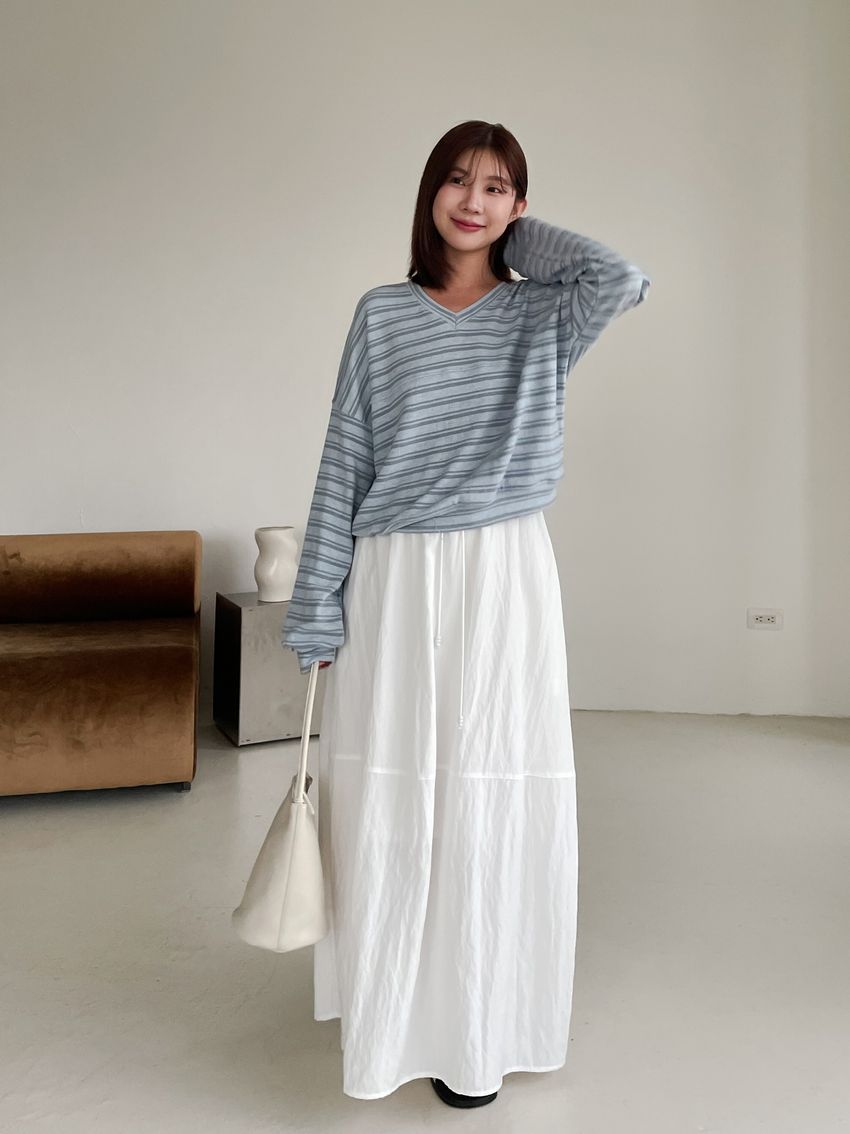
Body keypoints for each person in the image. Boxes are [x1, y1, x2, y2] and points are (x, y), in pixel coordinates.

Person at [282, 119, 650, 1106]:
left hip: (502, 569)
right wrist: (317, 603)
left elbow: (620, 277)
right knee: (395, 787)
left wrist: (514, 242)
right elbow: (345, 456)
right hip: (394, 570)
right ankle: (393, 1018)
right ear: (428, 192)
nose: (473, 200)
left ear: (521, 205)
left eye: (496, 187)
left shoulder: (545, 314)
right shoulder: (381, 314)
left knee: (492, 787)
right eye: (456, 181)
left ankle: (477, 1031)